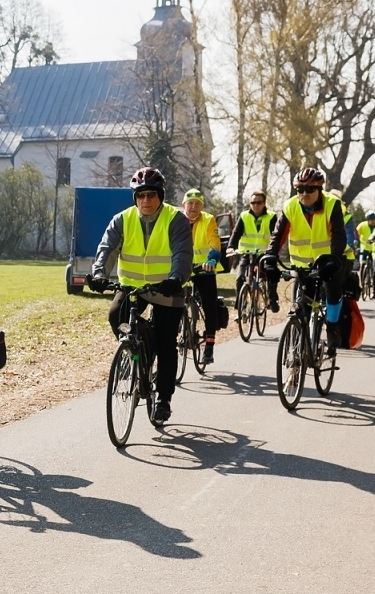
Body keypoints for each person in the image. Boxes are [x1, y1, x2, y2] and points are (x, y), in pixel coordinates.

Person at [87, 167, 191, 426]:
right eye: (141, 195)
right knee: (116, 317)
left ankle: (163, 399)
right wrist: (99, 274)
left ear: (161, 196)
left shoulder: (175, 219)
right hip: (133, 287)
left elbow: (182, 254)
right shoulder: (122, 220)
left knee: (167, 343)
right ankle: (140, 346)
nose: (146, 201)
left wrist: (176, 278)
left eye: (152, 195)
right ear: (135, 197)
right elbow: (107, 250)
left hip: (166, 287)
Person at [262, 167, 351, 354]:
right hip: (301, 265)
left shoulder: (332, 204)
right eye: (300, 190)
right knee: (301, 307)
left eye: (310, 189)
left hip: (327, 262)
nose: (304, 194)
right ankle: (296, 356)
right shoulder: (290, 206)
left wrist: (333, 259)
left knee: (333, 291)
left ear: (319, 189)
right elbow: (277, 235)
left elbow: (338, 235)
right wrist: (270, 256)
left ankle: (333, 326)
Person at [182, 189, 228, 363]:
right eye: (190, 203)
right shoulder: (176, 219)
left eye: (197, 203)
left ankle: (209, 346)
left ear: (202, 206)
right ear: (183, 205)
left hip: (204, 268)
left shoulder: (208, 220)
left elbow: (214, 245)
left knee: (209, 304)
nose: (193, 206)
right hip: (182, 268)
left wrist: (211, 260)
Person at [228, 189, 280, 311]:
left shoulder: (272, 216)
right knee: (240, 277)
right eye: (253, 203)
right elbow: (236, 234)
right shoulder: (244, 216)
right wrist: (231, 247)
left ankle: (272, 298)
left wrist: (273, 251)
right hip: (247, 254)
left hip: (265, 254)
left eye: (259, 202)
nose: (255, 205)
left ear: (264, 203)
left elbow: (276, 236)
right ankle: (241, 305)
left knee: (272, 273)